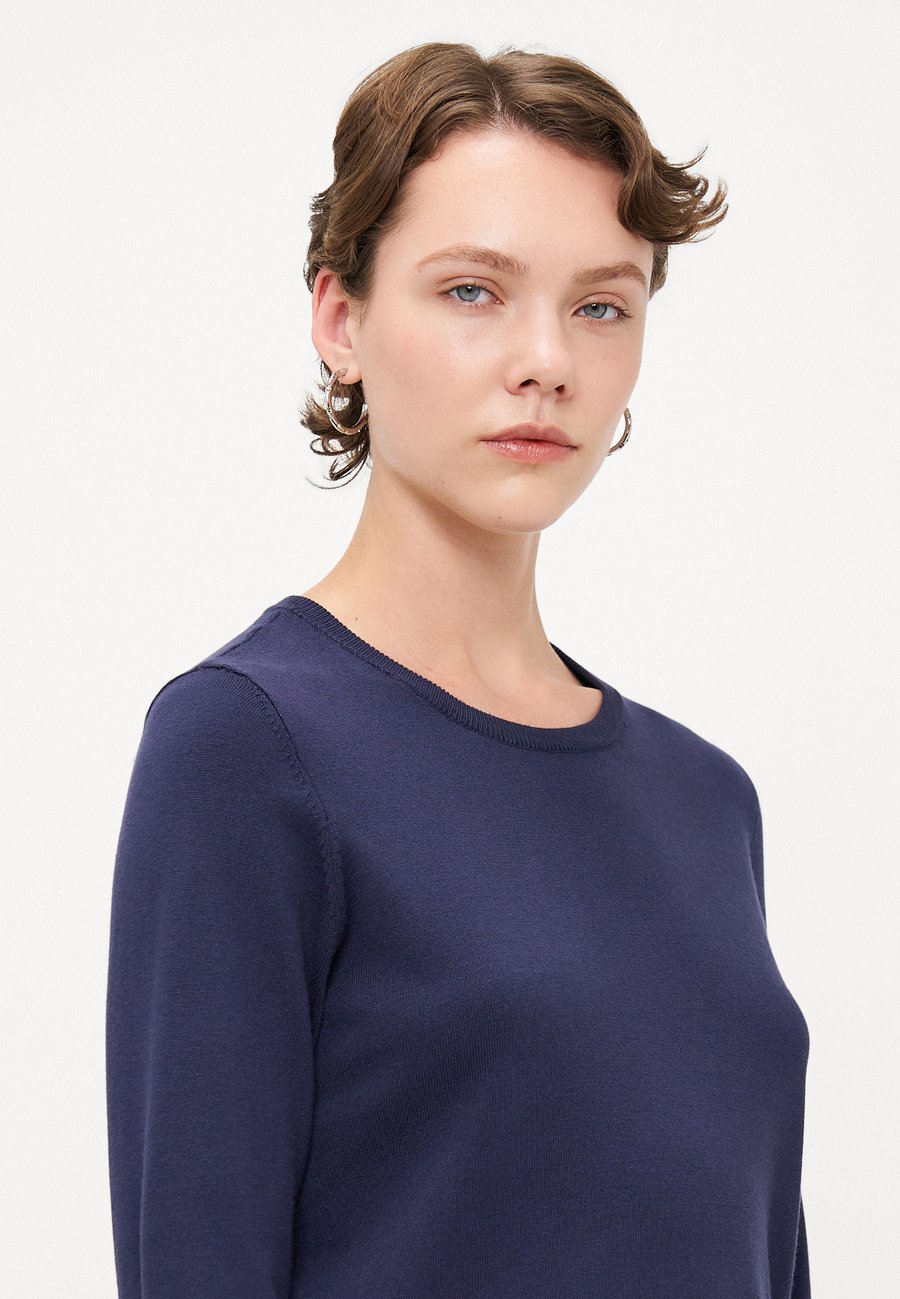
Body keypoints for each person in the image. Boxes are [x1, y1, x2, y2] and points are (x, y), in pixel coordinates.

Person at [105, 41, 812, 1298]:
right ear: (342, 319)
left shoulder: (709, 799)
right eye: (474, 290)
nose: (548, 358)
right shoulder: (250, 748)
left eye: (601, 305)